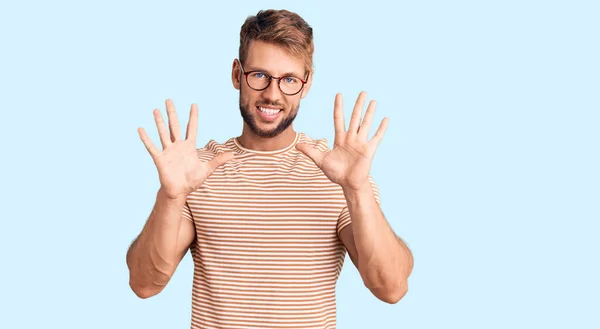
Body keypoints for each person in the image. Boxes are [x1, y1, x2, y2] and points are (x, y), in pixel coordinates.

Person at [126, 9, 414, 329]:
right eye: (260, 75)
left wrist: (357, 190)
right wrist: (170, 196)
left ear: (306, 84)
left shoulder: (340, 174)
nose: (273, 94)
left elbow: (391, 288)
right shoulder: (196, 172)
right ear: (237, 74)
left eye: (289, 79)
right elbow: (144, 284)